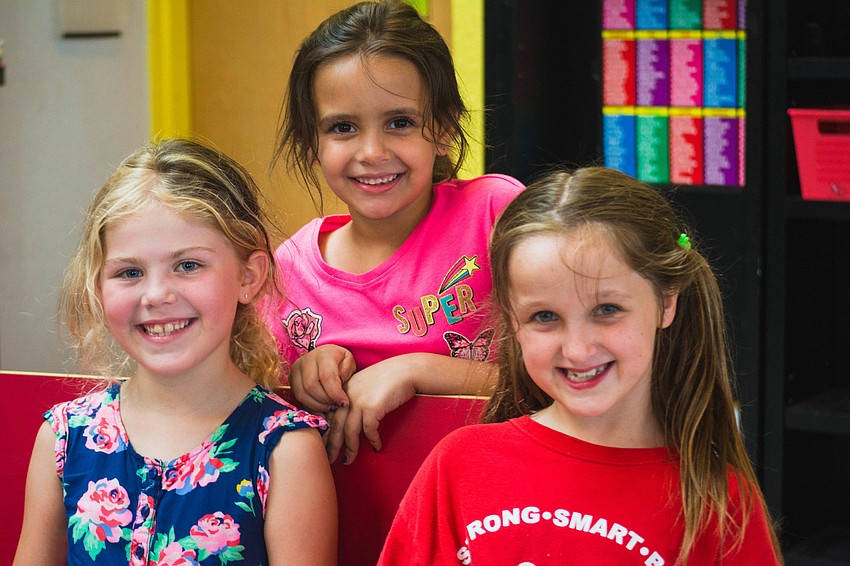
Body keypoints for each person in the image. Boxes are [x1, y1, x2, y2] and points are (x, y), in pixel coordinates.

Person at [378, 167, 783, 564]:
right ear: (512, 321)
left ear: (666, 302)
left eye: (607, 309)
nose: (577, 350)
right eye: (545, 316)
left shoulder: (721, 503)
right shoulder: (459, 465)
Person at [14, 139, 337, 565]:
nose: (156, 295)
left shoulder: (284, 450)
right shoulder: (63, 437)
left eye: (188, 265)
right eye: (130, 272)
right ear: (98, 286)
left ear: (248, 276)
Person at [267, 0, 524, 466]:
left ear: (443, 129)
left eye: (399, 122)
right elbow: (256, 411)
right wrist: (302, 378)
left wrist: (417, 370)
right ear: (312, 143)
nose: (372, 151)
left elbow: (560, 375)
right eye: (343, 127)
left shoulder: (495, 216)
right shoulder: (288, 272)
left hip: (496, 501)